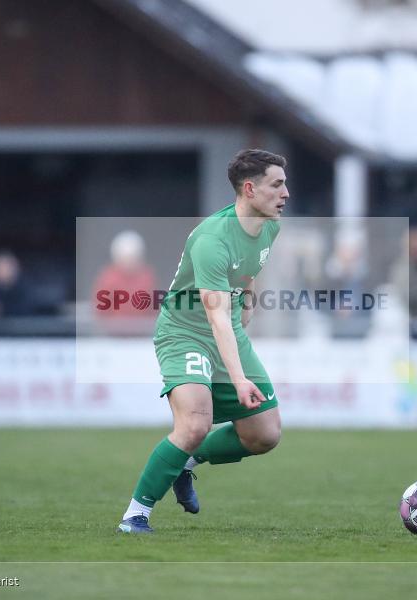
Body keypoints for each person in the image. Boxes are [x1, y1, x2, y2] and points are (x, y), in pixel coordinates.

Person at [117, 149, 287, 534]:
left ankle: (185, 463)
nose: (285, 193)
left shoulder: (269, 226)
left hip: (228, 329)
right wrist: (239, 379)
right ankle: (134, 516)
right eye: (277, 184)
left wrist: (248, 299)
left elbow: (248, 269)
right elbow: (215, 317)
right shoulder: (212, 239)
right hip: (185, 332)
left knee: (265, 434)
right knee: (194, 425)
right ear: (249, 189)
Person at [92, 230, 157, 336]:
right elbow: (100, 311)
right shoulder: (108, 279)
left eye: (133, 257)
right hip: (113, 337)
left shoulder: (146, 278)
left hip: (141, 336)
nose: (130, 262)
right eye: (126, 258)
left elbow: (152, 310)